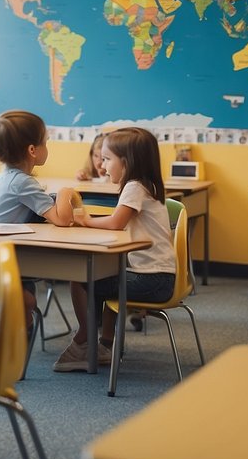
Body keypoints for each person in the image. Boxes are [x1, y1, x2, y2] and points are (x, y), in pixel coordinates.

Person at [54, 127, 176, 372]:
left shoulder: (134, 187)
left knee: (79, 278)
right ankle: (104, 345)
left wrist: (85, 220)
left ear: (127, 162)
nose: (104, 165)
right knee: (108, 274)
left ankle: (84, 340)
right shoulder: (147, 185)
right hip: (160, 277)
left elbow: (116, 222)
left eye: (108, 159)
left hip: (151, 279)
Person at [0, 110, 77, 318]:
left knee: (28, 300)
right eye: (46, 142)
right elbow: (63, 220)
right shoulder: (22, 182)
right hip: (0, 261)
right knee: (28, 303)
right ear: (33, 150)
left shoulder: (5, 176)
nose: (47, 147)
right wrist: (65, 192)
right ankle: (16, 345)